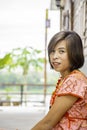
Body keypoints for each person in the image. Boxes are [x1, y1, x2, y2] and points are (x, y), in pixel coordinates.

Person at [31, 31, 87, 130]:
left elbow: (48, 123)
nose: (54, 56)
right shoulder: (65, 78)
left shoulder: (75, 80)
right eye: (52, 51)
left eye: (61, 51)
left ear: (74, 53)